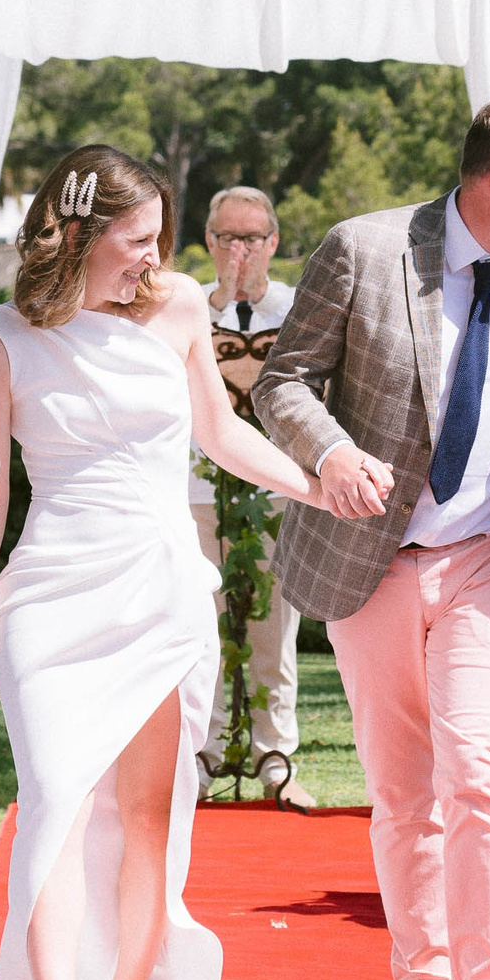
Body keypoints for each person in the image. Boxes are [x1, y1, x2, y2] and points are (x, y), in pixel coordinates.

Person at [0, 144, 335, 980]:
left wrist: (316, 481)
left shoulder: (179, 311)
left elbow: (221, 431)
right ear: (76, 234)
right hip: (49, 592)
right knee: (54, 804)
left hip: (159, 586)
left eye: (160, 240)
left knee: (145, 813)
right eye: (136, 240)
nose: (153, 259)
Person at [251, 96, 490, 980]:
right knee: (403, 790)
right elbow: (283, 382)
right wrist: (330, 453)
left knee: (479, 768)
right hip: (372, 559)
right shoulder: (365, 252)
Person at [186, 185, 310, 804]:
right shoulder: (183, 308)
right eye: (228, 237)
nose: (240, 250)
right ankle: (204, 753)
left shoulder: (296, 311)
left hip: (275, 489)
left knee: (271, 625)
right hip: (197, 488)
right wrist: (220, 305)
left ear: (273, 243)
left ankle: (274, 755)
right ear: (209, 241)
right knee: (202, 623)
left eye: (252, 238)